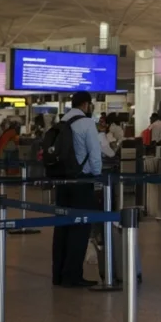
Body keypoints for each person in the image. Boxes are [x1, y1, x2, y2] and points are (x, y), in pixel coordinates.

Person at [52, 91, 105, 288]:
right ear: (85, 105)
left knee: (62, 227)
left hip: (62, 181)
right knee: (80, 228)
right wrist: (98, 176)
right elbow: (94, 154)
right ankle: (73, 275)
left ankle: (58, 274)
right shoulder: (87, 123)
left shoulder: (61, 122)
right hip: (82, 181)